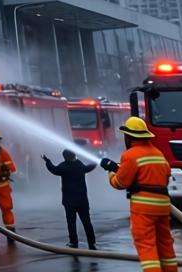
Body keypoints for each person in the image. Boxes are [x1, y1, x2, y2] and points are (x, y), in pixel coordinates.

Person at [101, 116, 175, 272]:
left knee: (146, 245)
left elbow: (121, 183)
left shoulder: (130, 155)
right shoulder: (158, 153)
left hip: (143, 208)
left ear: (129, 136)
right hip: (163, 205)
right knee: (165, 245)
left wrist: (110, 172)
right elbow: (166, 176)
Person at [43, 148, 97, 249]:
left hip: (69, 201)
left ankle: (73, 242)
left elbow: (53, 170)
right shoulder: (79, 164)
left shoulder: (63, 166)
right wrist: (96, 161)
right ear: (74, 155)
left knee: (71, 223)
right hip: (82, 200)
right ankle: (92, 242)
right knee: (87, 222)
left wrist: (47, 161)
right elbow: (88, 168)